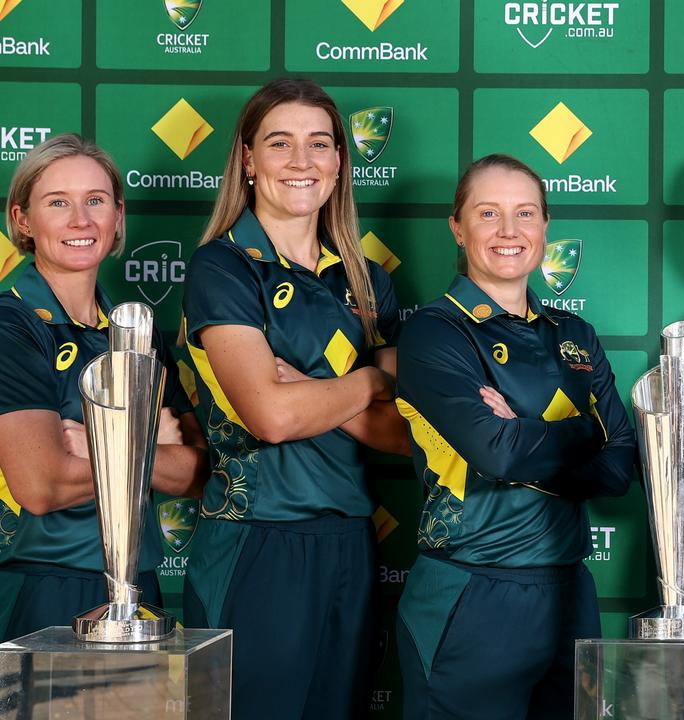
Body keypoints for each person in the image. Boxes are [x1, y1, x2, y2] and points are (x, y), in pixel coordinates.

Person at [179, 78, 406, 719]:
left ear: (340, 160)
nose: (302, 161)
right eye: (280, 143)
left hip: (350, 544)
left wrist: (307, 390)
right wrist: (371, 382)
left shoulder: (369, 280)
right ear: (248, 160)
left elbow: (403, 436)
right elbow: (271, 417)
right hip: (257, 542)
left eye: (319, 144)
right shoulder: (222, 267)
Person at [394, 154, 636, 719]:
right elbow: (495, 452)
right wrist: (585, 430)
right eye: (488, 213)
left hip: (570, 592)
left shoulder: (574, 334)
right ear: (458, 227)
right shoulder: (436, 331)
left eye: (525, 213)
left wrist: (527, 430)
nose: (509, 231)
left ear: (546, 227)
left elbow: (619, 466)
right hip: (472, 590)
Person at [0, 134, 206, 640]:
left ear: (117, 217)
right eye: (57, 203)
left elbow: (199, 471)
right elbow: (42, 484)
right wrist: (149, 440)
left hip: (141, 586)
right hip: (42, 585)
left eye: (95, 201)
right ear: (23, 219)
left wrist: (101, 441)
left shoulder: (138, 333)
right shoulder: (12, 325)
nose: (80, 220)